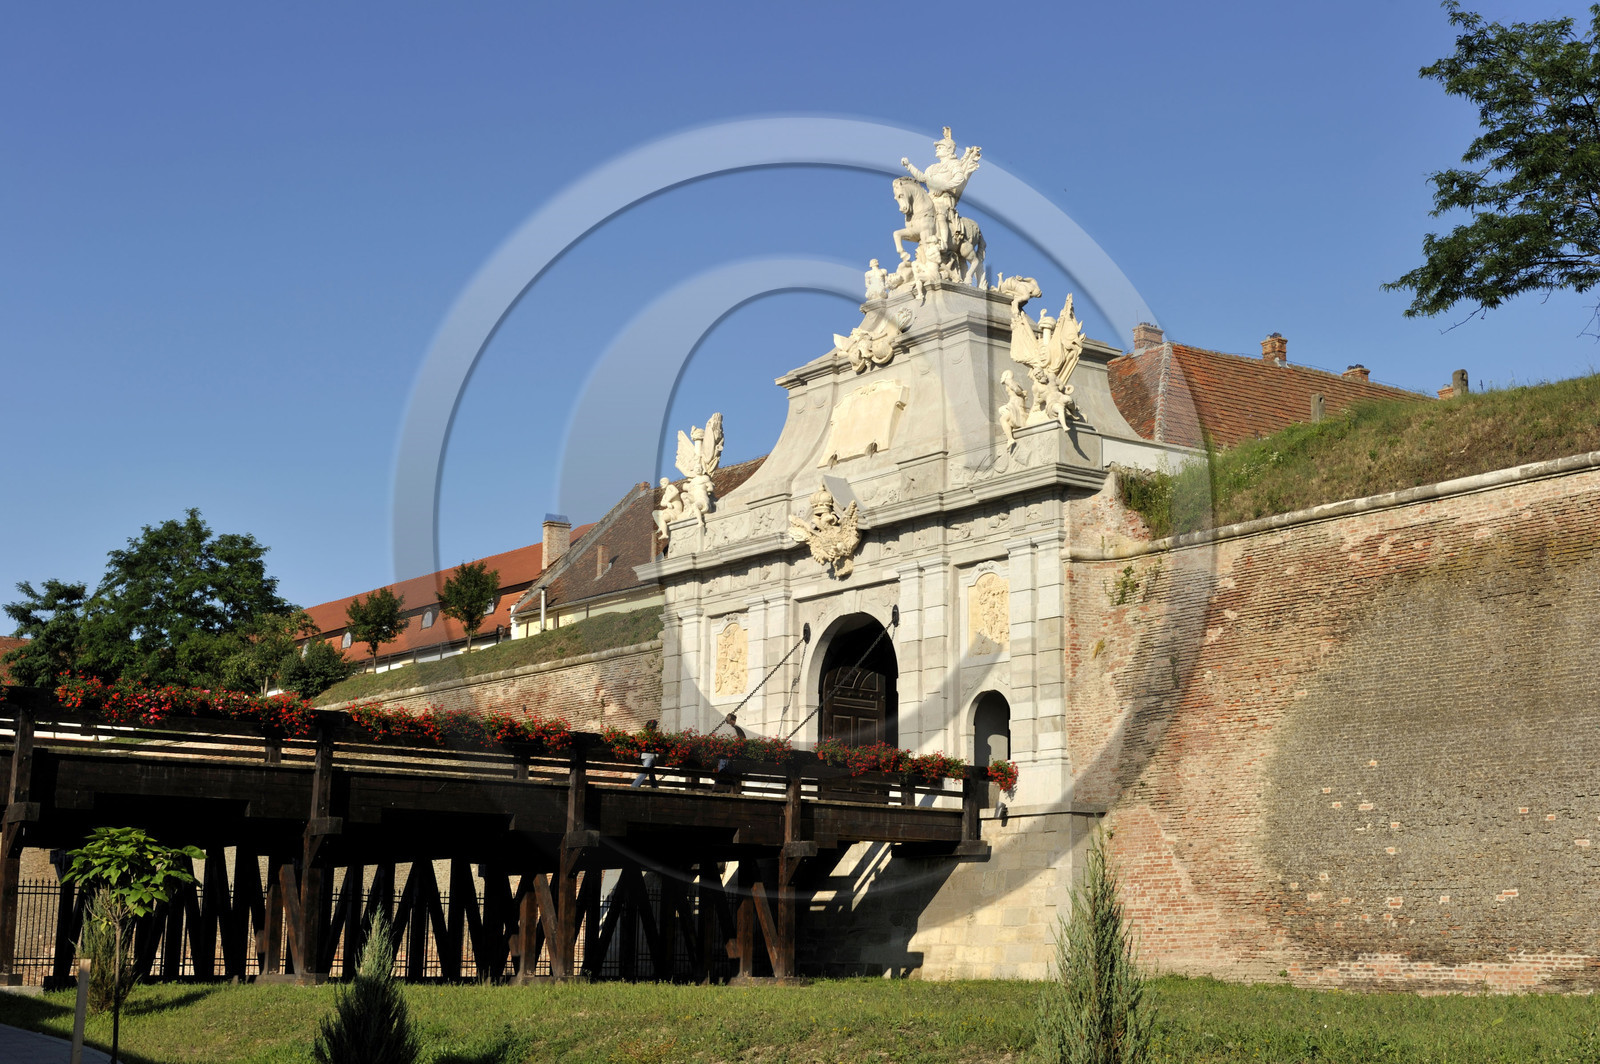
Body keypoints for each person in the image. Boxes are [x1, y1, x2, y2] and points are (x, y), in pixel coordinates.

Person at [630, 719, 660, 788]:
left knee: (651, 772)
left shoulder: (643, 734)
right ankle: (634, 786)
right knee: (645, 772)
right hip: (649, 756)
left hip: (645, 756)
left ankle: (655, 787)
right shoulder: (651, 735)